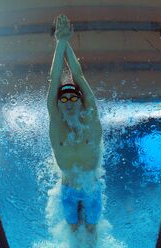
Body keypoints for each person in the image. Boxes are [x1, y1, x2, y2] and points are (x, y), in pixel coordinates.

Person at [47, 15, 103, 234]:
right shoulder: (56, 125)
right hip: (68, 191)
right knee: (72, 229)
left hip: (92, 189)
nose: (69, 103)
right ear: (57, 105)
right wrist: (60, 42)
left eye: (73, 98)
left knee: (91, 230)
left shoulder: (90, 119)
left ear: (81, 101)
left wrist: (64, 41)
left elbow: (77, 75)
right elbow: (54, 80)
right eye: (64, 99)